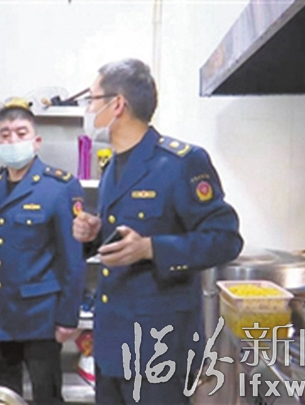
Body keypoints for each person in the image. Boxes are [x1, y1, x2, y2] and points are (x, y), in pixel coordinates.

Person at [72, 59, 244, 404]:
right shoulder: (113, 165)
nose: (88, 110)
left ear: (117, 105)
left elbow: (226, 239)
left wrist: (152, 248)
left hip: (159, 349)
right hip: (113, 344)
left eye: (92, 99)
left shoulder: (180, 162)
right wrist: (94, 234)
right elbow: (124, 233)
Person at [0, 105, 87, 404]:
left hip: (40, 317)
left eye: (21, 133)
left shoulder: (59, 186)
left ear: (36, 141)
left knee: (47, 395)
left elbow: (72, 258)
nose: (13, 141)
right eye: (5, 135)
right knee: (2, 394)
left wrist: (68, 317)